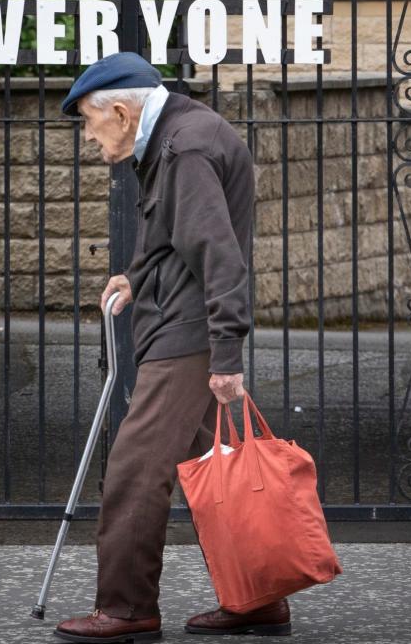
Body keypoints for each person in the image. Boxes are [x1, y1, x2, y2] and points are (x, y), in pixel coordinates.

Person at [52, 52, 291, 642]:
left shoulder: (182, 150)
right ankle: (258, 599)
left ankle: (127, 609)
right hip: (182, 326)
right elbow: (176, 234)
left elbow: (219, 253)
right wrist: (137, 276)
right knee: (225, 474)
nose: (88, 135)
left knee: (135, 469)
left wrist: (227, 355)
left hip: (187, 337)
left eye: (89, 120)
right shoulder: (175, 135)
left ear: (121, 111)